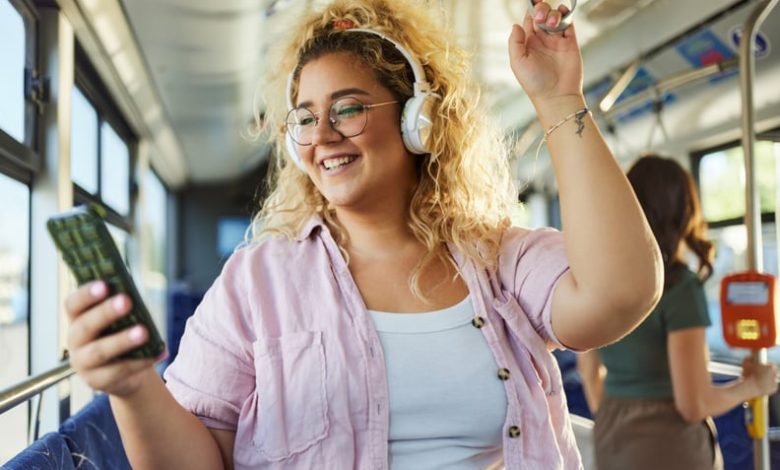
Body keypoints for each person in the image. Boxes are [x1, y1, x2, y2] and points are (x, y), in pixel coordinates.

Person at [63, 0, 663, 468]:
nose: (322, 134)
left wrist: (557, 98)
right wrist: (135, 387)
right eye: (305, 116)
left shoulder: (499, 259)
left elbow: (620, 294)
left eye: (348, 108)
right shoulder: (256, 282)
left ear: (416, 122)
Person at [577, 155, 779, 470]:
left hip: (612, 436)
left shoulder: (604, 277)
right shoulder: (679, 287)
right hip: (670, 446)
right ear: (683, 211)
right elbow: (694, 404)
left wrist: (616, 413)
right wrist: (755, 386)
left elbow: (589, 369)